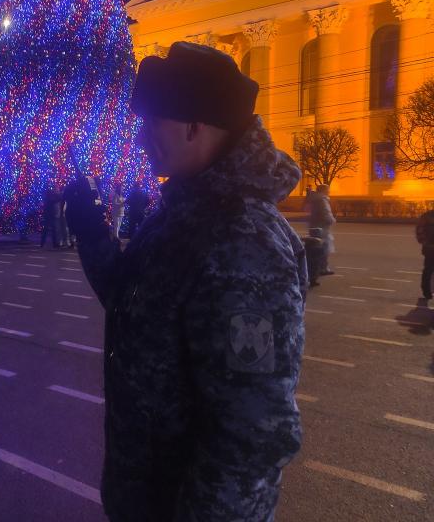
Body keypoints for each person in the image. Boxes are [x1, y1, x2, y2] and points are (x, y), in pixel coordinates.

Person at [65, 42, 306, 521]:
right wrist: (93, 233)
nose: (139, 138)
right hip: (146, 497)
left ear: (195, 126)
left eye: (151, 122)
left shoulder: (242, 241)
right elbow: (131, 301)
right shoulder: (182, 215)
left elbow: (251, 433)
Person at [308, 184, 335, 275]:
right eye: (328, 190)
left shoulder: (315, 199)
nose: (329, 192)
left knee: (317, 248)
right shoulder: (322, 200)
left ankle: (317, 268)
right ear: (324, 190)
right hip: (322, 227)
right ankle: (323, 268)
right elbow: (326, 213)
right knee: (324, 248)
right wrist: (331, 220)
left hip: (314, 226)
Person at [416, 209, 434, 299]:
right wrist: (425, 242)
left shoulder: (426, 216)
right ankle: (426, 290)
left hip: (429, 247)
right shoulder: (427, 216)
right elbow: (419, 230)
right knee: (429, 269)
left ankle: (427, 290)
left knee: (428, 269)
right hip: (430, 249)